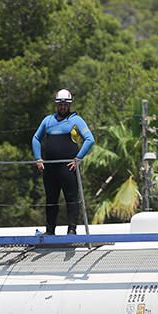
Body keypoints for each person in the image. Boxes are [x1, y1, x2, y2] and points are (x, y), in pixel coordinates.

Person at [32, 89, 95, 234]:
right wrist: (38, 158)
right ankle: (49, 231)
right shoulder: (48, 120)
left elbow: (90, 139)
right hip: (50, 169)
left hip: (68, 167)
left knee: (71, 198)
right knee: (51, 200)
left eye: (66, 104)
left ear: (70, 104)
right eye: (60, 104)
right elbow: (36, 138)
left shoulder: (75, 120)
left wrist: (78, 158)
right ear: (56, 104)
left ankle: (72, 229)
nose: (63, 106)